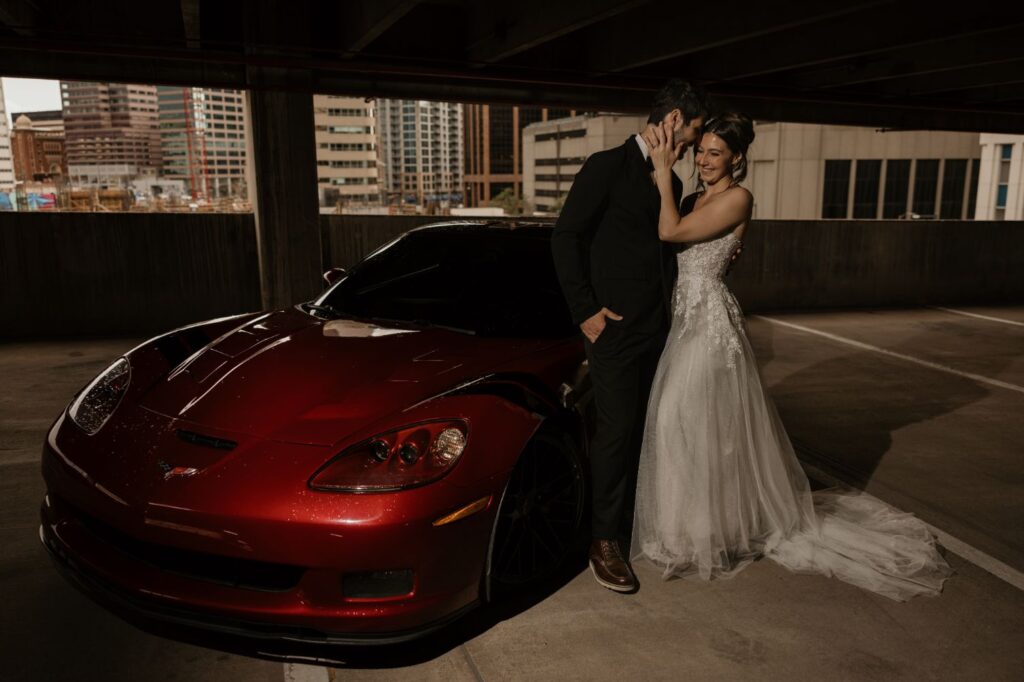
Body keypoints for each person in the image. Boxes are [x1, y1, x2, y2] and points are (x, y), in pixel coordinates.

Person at [630, 112, 952, 600]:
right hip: (685, 320)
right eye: (702, 151)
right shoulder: (697, 196)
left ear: (737, 158)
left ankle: (707, 534)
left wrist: (660, 170)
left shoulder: (740, 197)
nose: (704, 159)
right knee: (682, 424)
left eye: (715, 152)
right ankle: (685, 530)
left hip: (710, 329)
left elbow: (671, 234)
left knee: (693, 421)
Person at [551, 80, 712, 593]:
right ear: (669, 121)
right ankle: (602, 541)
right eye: (689, 135)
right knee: (616, 433)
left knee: (645, 431)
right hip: (614, 330)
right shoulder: (606, 166)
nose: (688, 147)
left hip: (658, 330)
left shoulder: (673, 183)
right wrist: (586, 313)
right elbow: (565, 237)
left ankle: (625, 522)